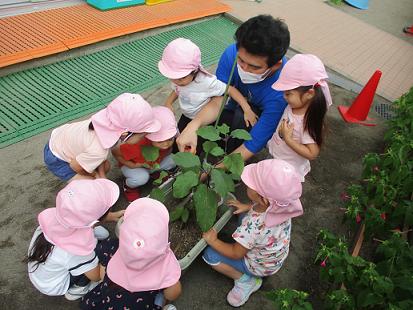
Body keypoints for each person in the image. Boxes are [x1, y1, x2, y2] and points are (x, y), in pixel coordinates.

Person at [176, 15, 290, 162]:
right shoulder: (231, 53)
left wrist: (209, 174)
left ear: (276, 65)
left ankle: (231, 170)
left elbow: (253, 143)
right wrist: (193, 126)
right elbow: (218, 99)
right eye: (241, 60)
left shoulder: (283, 89)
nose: (244, 68)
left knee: (243, 117)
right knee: (198, 104)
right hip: (232, 110)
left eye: (254, 67)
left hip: (254, 123)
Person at [202, 159, 303, 307]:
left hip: (257, 266)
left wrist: (214, 241)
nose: (246, 183)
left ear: (263, 199)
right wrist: (247, 207)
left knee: (209, 255)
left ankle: (246, 281)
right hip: (273, 257)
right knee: (242, 216)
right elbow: (263, 209)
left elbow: (236, 253)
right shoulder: (284, 207)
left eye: (251, 184)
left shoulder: (254, 226)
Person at [27, 179, 124, 301]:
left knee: (102, 235)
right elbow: (96, 276)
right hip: (55, 284)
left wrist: (113, 216)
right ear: (95, 222)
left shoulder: (58, 219)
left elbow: (89, 220)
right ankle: (79, 289)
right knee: (104, 252)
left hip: (42, 272)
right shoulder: (76, 250)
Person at [78, 197, 182, 310]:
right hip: (139, 306)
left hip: (108, 302)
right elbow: (173, 294)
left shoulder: (109, 247)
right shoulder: (164, 269)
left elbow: (103, 276)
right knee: (161, 296)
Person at [158, 37, 259, 153]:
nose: (176, 81)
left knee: (195, 148)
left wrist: (246, 108)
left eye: (181, 77)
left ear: (195, 71)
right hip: (186, 115)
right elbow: (176, 89)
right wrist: (169, 102)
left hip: (204, 120)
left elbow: (230, 90)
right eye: (172, 76)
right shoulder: (178, 80)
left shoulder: (207, 83)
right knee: (178, 143)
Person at [44, 93, 161, 183]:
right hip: (57, 159)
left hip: (61, 139)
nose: (145, 137)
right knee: (93, 186)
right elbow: (75, 166)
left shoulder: (106, 124)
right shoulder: (99, 151)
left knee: (105, 168)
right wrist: (95, 176)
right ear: (125, 134)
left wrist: (101, 174)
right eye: (142, 135)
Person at [268, 54, 333, 182]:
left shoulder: (307, 121)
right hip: (275, 156)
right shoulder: (293, 105)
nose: (284, 96)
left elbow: (312, 153)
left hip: (286, 170)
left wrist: (288, 139)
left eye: (288, 93)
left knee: (276, 196)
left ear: (309, 94)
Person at [111, 106, 178, 202]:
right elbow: (115, 152)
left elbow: (169, 150)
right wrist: (133, 165)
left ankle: (154, 172)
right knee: (141, 178)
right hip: (136, 166)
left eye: (170, 139)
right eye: (160, 141)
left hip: (152, 164)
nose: (166, 144)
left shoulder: (165, 143)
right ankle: (129, 187)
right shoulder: (136, 145)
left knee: (173, 159)